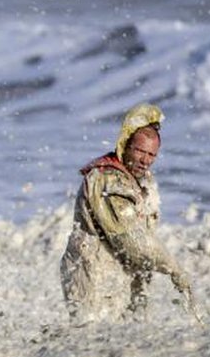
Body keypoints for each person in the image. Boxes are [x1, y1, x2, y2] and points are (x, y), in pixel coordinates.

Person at [60, 103, 196, 325]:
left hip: (121, 274)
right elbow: (133, 241)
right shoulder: (107, 180)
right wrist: (174, 269)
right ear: (125, 144)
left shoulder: (140, 181)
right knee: (93, 334)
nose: (145, 160)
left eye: (151, 154)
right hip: (93, 273)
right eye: (140, 151)